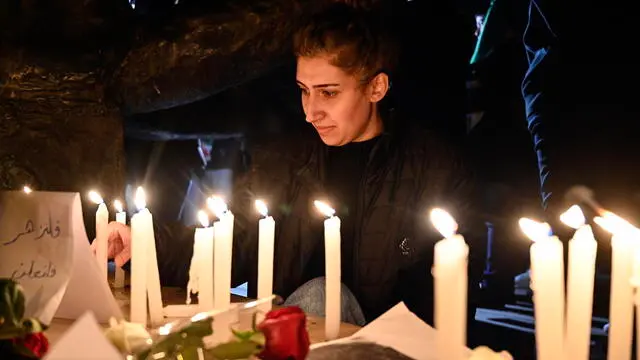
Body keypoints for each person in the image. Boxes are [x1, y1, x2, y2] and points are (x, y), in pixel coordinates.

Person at [100, 3, 483, 328]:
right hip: (291, 334)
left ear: (376, 88)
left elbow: (443, 305)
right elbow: (230, 245)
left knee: (322, 295)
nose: (311, 112)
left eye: (329, 93)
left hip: (377, 345)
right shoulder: (284, 159)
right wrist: (146, 243)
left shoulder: (433, 170)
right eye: (304, 91)